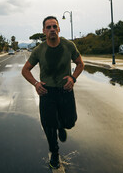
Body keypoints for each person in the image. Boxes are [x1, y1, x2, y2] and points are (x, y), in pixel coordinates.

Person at [22, 16, 84, 169]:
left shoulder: (68, 46)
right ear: (44, 31)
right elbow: (25, 70)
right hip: (46, 92)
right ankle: (54, 153)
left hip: (65, 90)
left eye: (54, 26)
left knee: (70, 122)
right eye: (48, 27)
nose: (52, 30)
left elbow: (80, 64)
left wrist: (73, 78)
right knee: (48, 125)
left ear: (59, 29)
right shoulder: (39, 50)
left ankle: (61, 125)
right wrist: (36, 84)